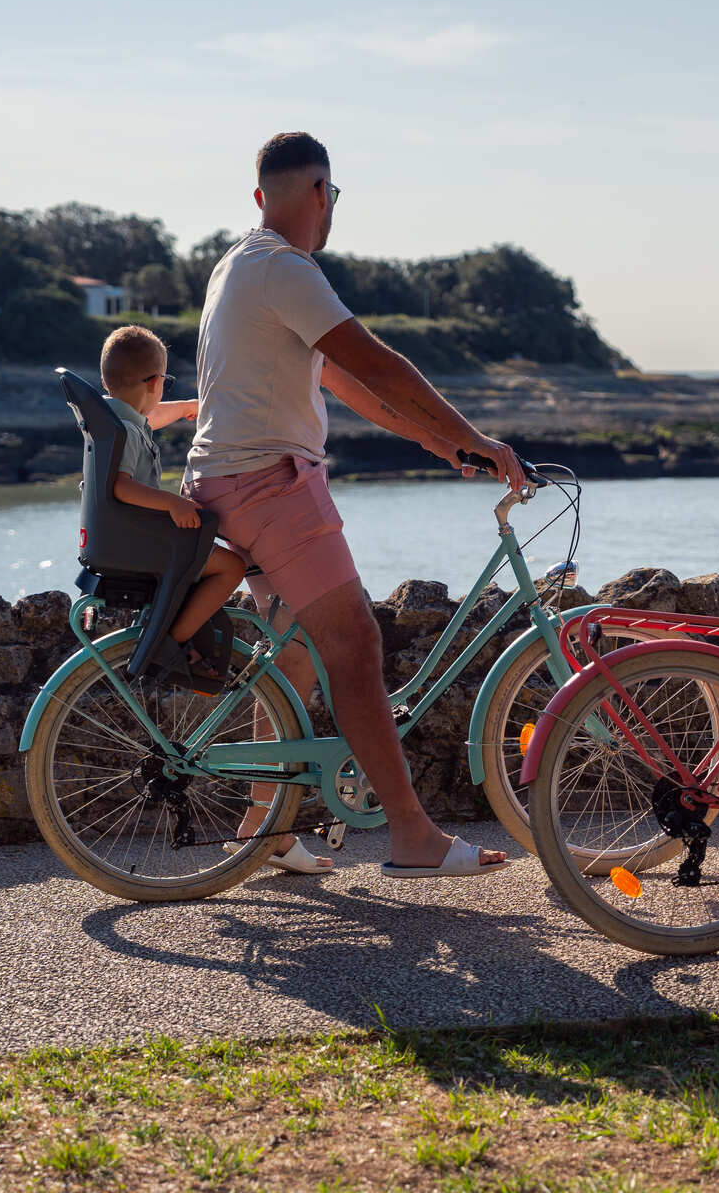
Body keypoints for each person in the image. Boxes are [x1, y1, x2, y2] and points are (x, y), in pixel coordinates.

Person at [181, 131, 528, 879]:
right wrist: (475, 434)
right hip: (267, 485)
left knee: (300, 652)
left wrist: (442, 444)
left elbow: (345, 381)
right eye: (331, 197)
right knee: (357, 646)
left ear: (259, 196)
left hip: (222, 482)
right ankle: (412, 835)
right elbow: (378, 361)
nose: (329, 210)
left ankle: (261, 824)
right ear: (318, 194)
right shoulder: (286, 268)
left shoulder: (238, 266)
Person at [97, 325, 246, 687]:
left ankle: (179, 629)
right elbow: (121, 485)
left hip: (119, 538)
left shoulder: (108, 417)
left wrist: (182, 409)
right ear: (155, 383)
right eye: (165, 382)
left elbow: (146, 416)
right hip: (145, 545)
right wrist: (173, 503)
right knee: (231, 566)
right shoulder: (128, 433)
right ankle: (172, 642)